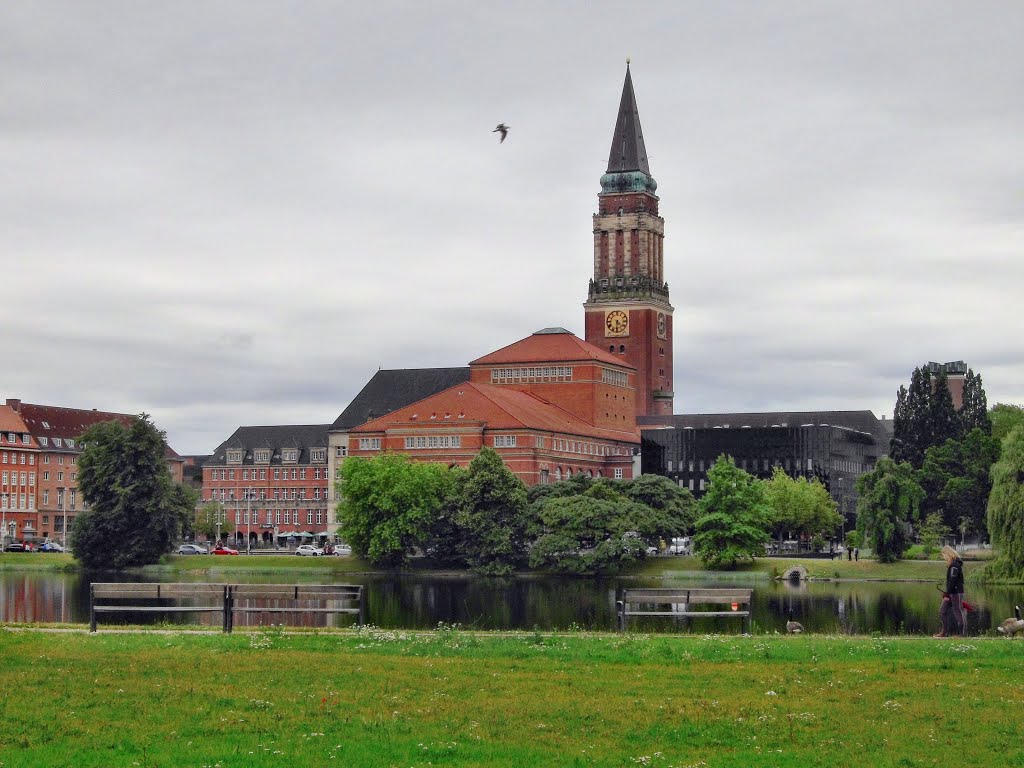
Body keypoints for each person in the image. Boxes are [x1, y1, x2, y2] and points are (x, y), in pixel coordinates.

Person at [935, 545, 967, 637]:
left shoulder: (955, 565)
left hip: (956, 592)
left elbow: (953, 580)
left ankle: (962, 635)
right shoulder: (953, 565)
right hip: (952, 592)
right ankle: (944, 632)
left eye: (944, 555)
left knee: (958, 611)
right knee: (942, 611)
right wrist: (947, 593)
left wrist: (947, 594)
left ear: (948, 554)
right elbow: (951, 581)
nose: (944, 558)